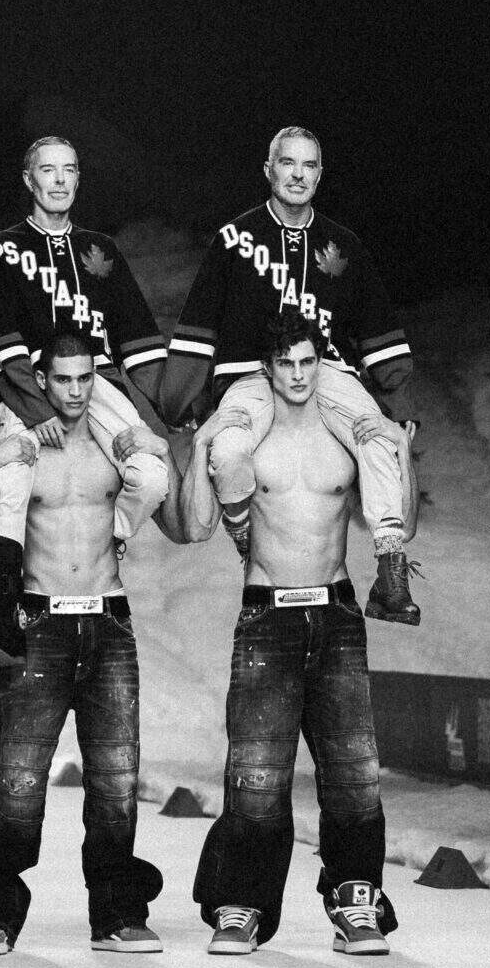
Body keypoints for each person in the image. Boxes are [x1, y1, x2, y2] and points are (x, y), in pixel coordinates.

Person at [186, 312, 417, 956]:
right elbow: (195, 516)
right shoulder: (248, 425)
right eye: (285, 363)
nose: (297, 375)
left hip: (336, 610)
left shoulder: (345, 425)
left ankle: (356, 905)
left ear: (321, 364)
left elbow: (399, 511)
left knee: (353, 771)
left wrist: (400, 455)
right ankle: (242, 906)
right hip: (267, 612)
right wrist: (202, 452)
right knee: (256, 772)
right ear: (268, 367)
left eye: (307, 363)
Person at [0, 332, 180, 956]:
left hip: (108, 620)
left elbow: (178, 516)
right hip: (37, 621)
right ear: (42, 382)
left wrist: (165, 450)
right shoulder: (24, 451)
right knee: (19, 779)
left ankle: (117, 914)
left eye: (85, 379)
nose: (76, 392)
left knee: (116, 777)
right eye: (64, 380)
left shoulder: (115, 447)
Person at [161, 126, 421, 626]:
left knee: (377, 441)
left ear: (320, 175)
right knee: (230, 449)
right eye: (287, 163)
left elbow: (379, 332)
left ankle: (390, 574)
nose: (298, 174)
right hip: (252, 372)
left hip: (325, 370)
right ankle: (246, 542)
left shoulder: (343, 246)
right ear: (268, 170)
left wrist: (396, 411)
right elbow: (199, 324)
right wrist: (181, 400)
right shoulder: (235, 239)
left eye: (309, 165)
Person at [0, 137, 170, 666]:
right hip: (30, 378)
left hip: (96, 376)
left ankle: (111, 539)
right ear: (28, 179)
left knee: (151, 474)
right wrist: (35, 414)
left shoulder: (99, 249)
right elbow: (3, 336)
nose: (59, 180)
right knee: (13, 480)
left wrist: (163, 411)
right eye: (48, 171)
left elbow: (136, 333)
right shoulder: (3, 248)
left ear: (78, 179)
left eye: (69, 171)